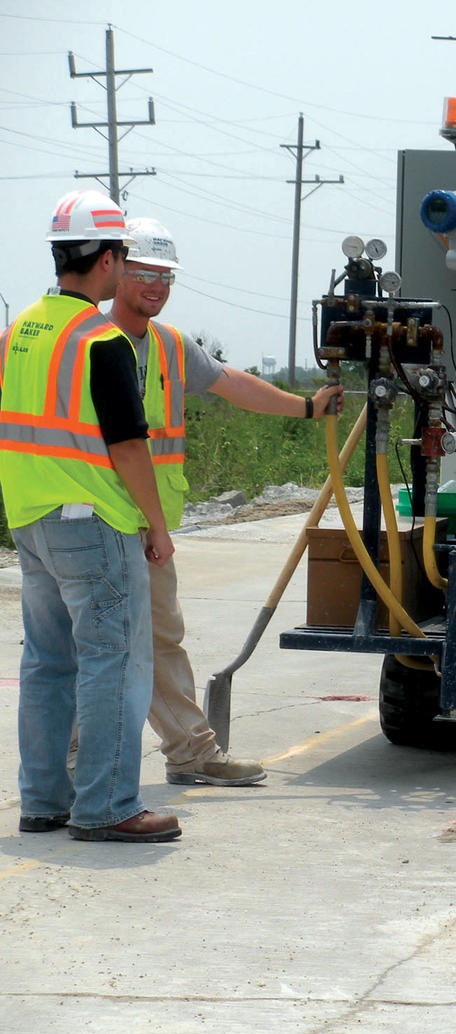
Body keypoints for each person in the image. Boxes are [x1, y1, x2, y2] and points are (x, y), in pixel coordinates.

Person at [105, 217, 343, 787]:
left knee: (161, 638)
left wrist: (305, 408)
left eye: (165, 276)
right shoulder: (81, 338)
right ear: (113, 269)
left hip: (147, 524)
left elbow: (231, 382)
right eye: (144, 273)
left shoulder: (167, 345)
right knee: (88, 644)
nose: (156, 286)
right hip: (91, 518)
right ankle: (73, 766)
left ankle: (192, 754)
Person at [0, 189, 179, 842]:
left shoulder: (19, 331)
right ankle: (106, 805)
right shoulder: (102, 340)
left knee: (48, 661)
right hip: (93, 522)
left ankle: (44, 800)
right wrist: (156, 526)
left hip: (31, 521)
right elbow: (129, 447)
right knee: (115, 660)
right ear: (107, 261)